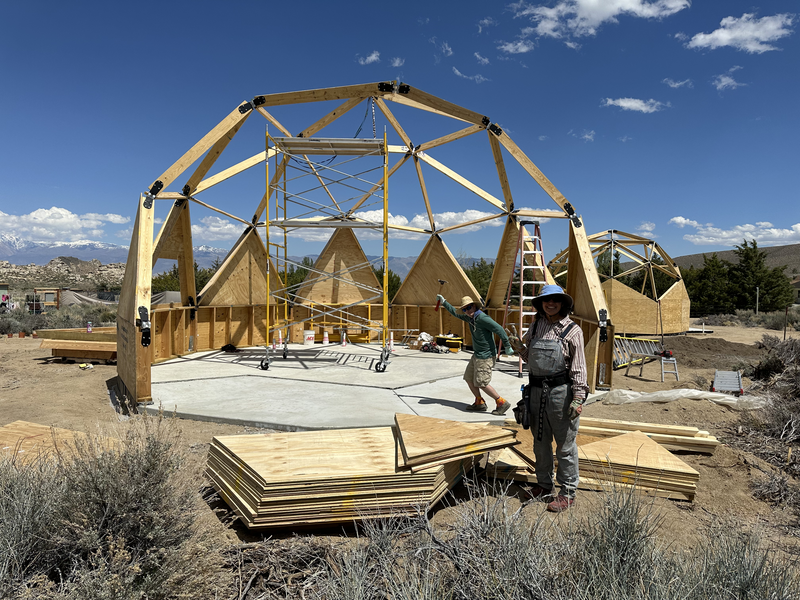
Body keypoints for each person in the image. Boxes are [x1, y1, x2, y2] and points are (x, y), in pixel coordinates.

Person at [509, 284, 588, 513]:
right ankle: (544, 485)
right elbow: (530, 356)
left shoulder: (573, 330)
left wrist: (578, 398)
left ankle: (567, 492)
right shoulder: (535, 326)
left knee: (565, 445)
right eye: (546, 300)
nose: (550, 304)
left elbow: (579, 367)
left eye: (555, 300)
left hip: (561, 394)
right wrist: (519, 348)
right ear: (540, 304)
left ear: (563, 303)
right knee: (540, 443)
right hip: (535, 392)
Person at [437, 294, 515, 414]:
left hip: (486, 356)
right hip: (477, 355)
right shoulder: (470, 318)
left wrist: (508, 345)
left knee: (481, 383)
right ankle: (479, 403)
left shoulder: (483, 318)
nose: (467, 311)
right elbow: (455, 313)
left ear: (474, 306)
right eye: (464, 309)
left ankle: (501, 402)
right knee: (469, 378)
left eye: (469, 308)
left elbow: (499, 329)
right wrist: (444, 302)